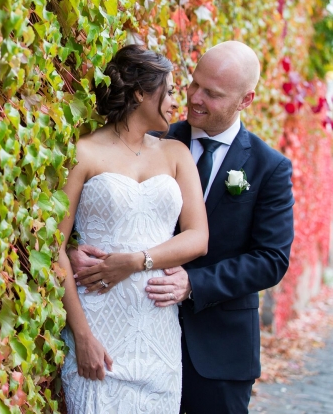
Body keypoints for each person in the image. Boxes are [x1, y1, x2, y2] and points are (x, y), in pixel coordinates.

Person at [70, 41, 295, 414]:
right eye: (193, 84)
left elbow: (271, 259)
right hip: (123, 328)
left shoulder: (268, 167)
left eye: (212, 93)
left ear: (246, 100)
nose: (193, 98)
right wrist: (77, 244)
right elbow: (105, 209)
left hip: (219, 348)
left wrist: (194, 284)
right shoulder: (154, 135)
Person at [56, 45, 209, 414]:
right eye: (169, 91)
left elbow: (198, 237)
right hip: (99, 333)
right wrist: (82, 337)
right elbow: (54, 247)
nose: (176, 102)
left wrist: (135, 261)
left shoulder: (177, 155)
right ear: (140, 92)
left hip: (158, 335)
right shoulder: (85, 152)